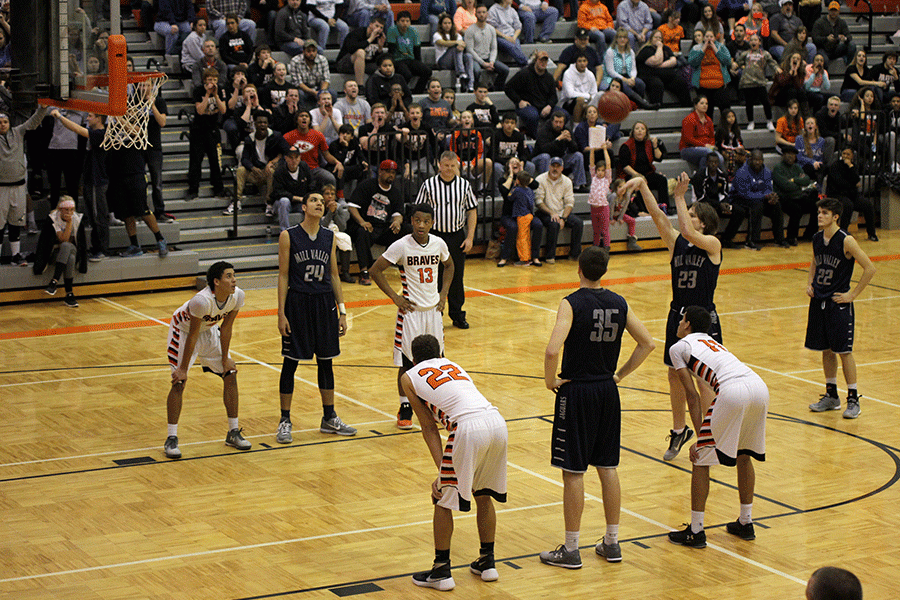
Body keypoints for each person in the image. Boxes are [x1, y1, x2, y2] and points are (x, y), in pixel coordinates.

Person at [539, 246, 655, 568]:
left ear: (579, 268)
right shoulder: (619, 302)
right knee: (608, 467)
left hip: (577, 392)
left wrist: (551, 382)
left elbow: (552, 351)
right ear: (604, 270)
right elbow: (648, 343)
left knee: (574, 471)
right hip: (607, 390)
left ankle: (572, 549)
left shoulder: (571, 303)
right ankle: (613, 542)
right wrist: (619, 374)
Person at [401, 334, 508, 591]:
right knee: (484, 495)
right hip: (497, 422)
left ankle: (441, 571)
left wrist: (442, 472)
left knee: (441, 497)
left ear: (413, 358)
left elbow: (428, 426)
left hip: (468, 428)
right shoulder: (454, 365)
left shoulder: (409, 376)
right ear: (439, 354)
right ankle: (487, 561)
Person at [666, 306, 769, 548]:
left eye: (682, 320)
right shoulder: (712, 342)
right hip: (759, 387)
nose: (679, 323)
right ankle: (745, 522)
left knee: (701, 458)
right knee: (744, 455)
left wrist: (701, 437)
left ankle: (696, 530)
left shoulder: (678, 348)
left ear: (687, 324)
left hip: (733, 390)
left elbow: (691, 395)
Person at [641, 173, 723, 461]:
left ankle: (708, 435)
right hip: (679, 315)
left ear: (704, 222)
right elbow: (657, 217)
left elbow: (688, 232)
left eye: (691, 214)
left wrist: (678, 195)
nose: (685, 217)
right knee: (675, 375)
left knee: (703, 380)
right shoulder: (676, 243)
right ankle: (679, 431)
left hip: (703, 319)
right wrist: (642, 186)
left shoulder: (712, 244)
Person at [370, 203, 455, 429]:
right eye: (417, 220)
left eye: (426, 221)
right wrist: (395, 298)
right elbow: (375, 270)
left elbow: (450, 266)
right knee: (407, 362)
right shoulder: (401, 246)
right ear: (411, 221)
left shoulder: (439, 243)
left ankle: (436, 404)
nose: (421, 225)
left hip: (434, 312)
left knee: (438, 360)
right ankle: (405, 406)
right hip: (411, 313)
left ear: (432, 223)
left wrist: (444, 294)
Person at [164, 261, 250, 459]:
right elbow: (193, 335)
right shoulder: (201, 301)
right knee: (179, 381)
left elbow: (226, 328)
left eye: (234, 275)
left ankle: (233, 432)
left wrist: (225, 358)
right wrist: (184, 369)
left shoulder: (237, 296)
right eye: (229, 276)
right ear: (216, 282)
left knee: (231, 373)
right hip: (183, 332)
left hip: (209, 330)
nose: (234, 280)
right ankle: (171, 438)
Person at [805, 197, 876, 419]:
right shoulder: (817, 238)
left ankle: (853, 398)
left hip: (838, 303)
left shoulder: (847, 240)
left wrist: (852, 295)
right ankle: (831, 395)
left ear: (835, 217)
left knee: (844, 351)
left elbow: (870, 268)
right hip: (819, 301)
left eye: (825, 213)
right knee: (826, 350)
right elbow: (815, 261)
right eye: (819, 212)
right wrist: (810, 282)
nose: (819, 215)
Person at [415, 151, 479, 330]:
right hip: (434, 236)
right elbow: (419, 211)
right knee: (434, 278)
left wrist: (470, 237)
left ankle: (457, 315)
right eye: (446, 165)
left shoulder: (464, 185)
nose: (449, 169)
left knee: (457, 277)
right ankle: (434, 315)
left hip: (456, 236)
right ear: (439, 165)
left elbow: (472, 211)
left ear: (457, 166)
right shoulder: (428, 185)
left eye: (452, 166)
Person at [50, 109, 110, 261]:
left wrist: (59, 116)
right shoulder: (94, 133)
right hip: (91, 180)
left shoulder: (100, 134)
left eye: (90, 116)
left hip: (98, 182)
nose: (87, 118)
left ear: (99, 118)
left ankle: (102, 249)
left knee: (99, 216)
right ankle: (96, 247)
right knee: (92, 215)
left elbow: (76, 129)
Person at [347, 159, 406, 285]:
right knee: (362, 232)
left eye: (393, 173)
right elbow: (352, 207)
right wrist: (362, 222)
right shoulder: (367, 185)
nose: (391, 175)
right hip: (366, 226)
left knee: (408, 230)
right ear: (380, 171)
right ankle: (364, 272)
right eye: (388, 172)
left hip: (383, 228)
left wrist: (397, 222)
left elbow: (398, 213)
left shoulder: (395, 192)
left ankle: (404, 264)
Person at [723, 149, 785, 249]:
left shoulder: (766, 172)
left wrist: (771, 197)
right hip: (739, 199)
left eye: (760, 160)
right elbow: (744, 194)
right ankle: (752, 240)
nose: (757, 162)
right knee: (757, 205)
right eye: (755, 160)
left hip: (758, 199)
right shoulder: (742, 172)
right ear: (750, 159)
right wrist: (764, 196)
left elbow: (768, 189)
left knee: (776, 205)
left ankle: (779, 239)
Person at [37, 196, 86, 308]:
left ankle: (54, 282)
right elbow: (62, 239)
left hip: (73, 250)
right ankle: (69, 294)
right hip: (55, 254)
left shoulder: (77, 219)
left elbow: (73, 242)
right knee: (70, 256)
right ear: (60, 209)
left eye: (72, 210)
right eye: (66, 210)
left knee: (66, 246)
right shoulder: (53, 219)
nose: (69, 212)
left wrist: (69, 223)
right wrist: (69, 224)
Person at [234, 111, 284, 215]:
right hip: (256, 172)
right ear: (255, 124)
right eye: (260, 122)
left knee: (271, 170)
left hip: (270, 172)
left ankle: (269, 203)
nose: (262, 125)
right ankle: (236, 201)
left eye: (265, 123)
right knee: (240, 170)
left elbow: (285, 152)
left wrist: (273, 162)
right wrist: (252, 168)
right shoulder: (249, 139)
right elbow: (244, 159)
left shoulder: (276, 136)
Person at [535, 157, 584, 262]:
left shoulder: (567, 181)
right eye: (553, 166)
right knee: (554, 223)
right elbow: (539, 202)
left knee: (578, 223)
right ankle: (550, 256)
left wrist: (563, 218)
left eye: (558, 166)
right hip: (545, 212)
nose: (555, 169)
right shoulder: (540, 179)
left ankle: (575, 255)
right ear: (549, 167)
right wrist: (552, 213)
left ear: (562, 168)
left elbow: (569, 203)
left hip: (561, 212)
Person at [497, 157, 543, 267]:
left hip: (525, 214)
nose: (515, 163)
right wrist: (511, 175)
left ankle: (535, 256)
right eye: (512, 162)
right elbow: (504, 191)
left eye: (517, 162)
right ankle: (504, 257)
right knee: (513, 227)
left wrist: (522, 173)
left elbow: (535, 184)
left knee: (538, 225)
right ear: (508, 166)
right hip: (509, 215)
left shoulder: (525, 181)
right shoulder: (503, 180)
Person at [826, 147, 878, 242]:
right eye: (844, 153)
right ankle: (843, 233)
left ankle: (872, 234)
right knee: (848, 205)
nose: (845, 156)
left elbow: (856, 180)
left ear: (852, 156)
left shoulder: (853, 167)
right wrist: (853, 185)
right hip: (836, 194)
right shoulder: (835, 166)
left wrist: (850, 167)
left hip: (850, 194)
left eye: (848, 154)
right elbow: (840, 183)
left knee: (867, 205)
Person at [283, 109, 343, 191]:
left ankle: (333, 200)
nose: (304, 118)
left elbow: (327, 155)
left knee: (330, 178)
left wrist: (338, 162)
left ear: (310, 121)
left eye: (306, 116)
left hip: (314, 169)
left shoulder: (318, 135)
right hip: (295, 169)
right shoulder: (288, 136)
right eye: (301, 116)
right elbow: (282, 155)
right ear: (296, 120)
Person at [733, 33, 779, 131]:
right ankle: (750, 122)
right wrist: (735, 66)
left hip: (760, 81)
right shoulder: (745, 54)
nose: (753, 42)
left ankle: (769, 121)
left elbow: (772, 63)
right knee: (749, 104)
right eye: (751, 40)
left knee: (765, 102)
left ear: (759, 42)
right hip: (747, 82)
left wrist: (777, 68)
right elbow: (737, 63)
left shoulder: (765, 54)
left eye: (755, 40)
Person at [620, 120, 668, 213]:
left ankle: (664, 207)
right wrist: (638, 176)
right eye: (637, 129)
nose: (639, 131)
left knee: (662, 180)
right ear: (633, 132)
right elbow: (625, 166)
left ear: (646, 132)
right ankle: (645, 210)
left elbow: (659, 158)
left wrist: (655, 146)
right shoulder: (626, 146)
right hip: (633, 175)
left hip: (648, 173)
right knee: (640, 184)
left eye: (642, 129)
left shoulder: (649, 144)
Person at [772, 145, 817, 245]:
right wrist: (799, 185)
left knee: (815, 206)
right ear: (783, 155)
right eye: (788, 154)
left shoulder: (796, 167)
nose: (790, 156)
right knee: (796, 209)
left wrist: (794, 180)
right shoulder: (778, 169)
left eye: (793, 155)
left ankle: (810, 234)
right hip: (784, 198)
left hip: (798, 196)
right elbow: (786, 186)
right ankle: (791, 237)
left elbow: (806, 180)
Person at [636, 29, 692, 107]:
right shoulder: (646, 50)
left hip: (666, 75)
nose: (658, 40)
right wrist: (659, 47)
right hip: (649, 76)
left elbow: (674, 61)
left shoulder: (666, 48)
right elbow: (656, 61)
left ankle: (687, 106)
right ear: (651, 38)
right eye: (656, 37)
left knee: (681, 82)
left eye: (660, 38)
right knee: (657, 85)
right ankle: (656, 108)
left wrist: (660, 66)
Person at [601, 29, 654, 110]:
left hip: (627, 75)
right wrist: (625, 80)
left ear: (627, 39)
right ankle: (644, 104)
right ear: (616, 39)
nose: (622, 39)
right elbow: (610, 71)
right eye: (620, 37)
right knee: (624, 85)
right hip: (612, 77)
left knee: (640, 83)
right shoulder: (610, 52)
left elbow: (633, 69)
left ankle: (638, 105)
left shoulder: (630, 52)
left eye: (624, 37)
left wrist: (632, 78)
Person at [534, 111, 588, 190]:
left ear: (564, 123)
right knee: (546, 157)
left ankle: (579, 185)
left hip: (560, 159)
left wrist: (570, 141)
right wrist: (558, 139)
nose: (558, 125)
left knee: (578, 155)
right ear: (552, 121)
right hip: (540, 158)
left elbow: (575, 149)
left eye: (560, 122)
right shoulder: (544, 130)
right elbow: (544, 149)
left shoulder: (566, 131)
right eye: (556, 122)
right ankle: (545, 186)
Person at [688, 29, 732, 118]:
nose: (709, 39)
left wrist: (716, 50)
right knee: (707, 112)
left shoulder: (721, 47)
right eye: (707, 37)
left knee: (725, 108)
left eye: (711, 37)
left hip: (720, 83)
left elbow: (727, 61)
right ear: (703, 38)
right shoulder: (696, 48)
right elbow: (692, 62)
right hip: (703, 85)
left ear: (715, 38)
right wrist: (703, 50)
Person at [466, 4, 510, 91]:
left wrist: (492, 62)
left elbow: (494, 48)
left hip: (488, 58)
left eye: (483, 12)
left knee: (505, 70)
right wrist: (483, 63)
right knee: (477, 70)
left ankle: (497, 88)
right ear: (475, 14)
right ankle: (476, 89)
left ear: (487, 14)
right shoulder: (470, 30)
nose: (481, 14)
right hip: (476, 59)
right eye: (479, 12)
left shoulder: (491, 29)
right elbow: (469, 50)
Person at [387, 11, 433, 94]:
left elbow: (417, 50)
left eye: (407, 21)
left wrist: (420, 65)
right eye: (402, 21)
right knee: (407, 74)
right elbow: (391, 50)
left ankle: (417, 92)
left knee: (427, 71)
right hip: (398, 60)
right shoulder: (392, 30)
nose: (405, 23)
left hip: (410, 59)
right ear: (397, 22)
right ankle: (402, 92)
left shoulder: (413, 31)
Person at [334, 16, 386, 85]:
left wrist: (380, 48)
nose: (378, 29)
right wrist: (369, 40)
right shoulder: (357, 33)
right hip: (345, 63)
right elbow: (351, 49)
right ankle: (360, 85)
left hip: (364, 64)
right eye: (376, 26)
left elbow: (375, 60)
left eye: (381, 28)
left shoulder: (378, 38)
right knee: (360, 52)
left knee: (384, 67)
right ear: (370, 24)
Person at [680, 95, 724, 174]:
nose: (705, 105)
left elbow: (711, 137)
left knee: (705, 159)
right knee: (716, 157)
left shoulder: (709, 120)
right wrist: (704, 145)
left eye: (706, 104)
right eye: (702, 103)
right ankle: (724, 174)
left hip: (705, 149)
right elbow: (688, 139)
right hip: (688, 149)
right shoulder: (689, 119)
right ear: (696, 105)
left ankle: (701, 178)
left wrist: (711, 145)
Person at [434, 13, 476, 93]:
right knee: (454, 48)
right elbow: (443, 43)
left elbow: (463, 44)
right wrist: (457, 43)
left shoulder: (457, 35)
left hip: (455, 60)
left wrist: (461, 46)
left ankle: (470, 85)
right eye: (445, 23)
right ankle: (461, 72)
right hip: (443, 61)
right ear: (441, 24)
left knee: (468, 56)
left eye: (449, 23)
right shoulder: (437, 35)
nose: (447, 25)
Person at [561, 55, 605, 122]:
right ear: (575, 62)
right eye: (579, 61)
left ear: (587, 62)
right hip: (569, 103)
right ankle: (576, 126)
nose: (582, 63)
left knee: (601, 94)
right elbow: (570, 94)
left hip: (588, 102)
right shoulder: (568, 73)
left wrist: (590, 105)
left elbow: (594, 93)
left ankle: (598, 124)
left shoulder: (590, 74)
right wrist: (587, 96)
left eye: (584, 61)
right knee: (580, 99)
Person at [811, 2, 855, 66]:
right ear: (828, 10)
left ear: (838, 11)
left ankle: (848, 66)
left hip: (835, 48)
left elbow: (849, 36)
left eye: (835, 10)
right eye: (832, 10)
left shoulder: (841, 22)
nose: (833, 12)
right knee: (824, 60)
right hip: (823, 49)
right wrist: (826, 39)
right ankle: (825, 75)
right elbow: (814, 38)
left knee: (852, 45)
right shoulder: (819, 22)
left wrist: (844, 38)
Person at [487, 0, 530, 67]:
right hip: (499, 37)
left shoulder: (512, 10)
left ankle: (525, 65)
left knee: (516, 47)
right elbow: (491, 27)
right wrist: (505, 37)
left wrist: (514, 37)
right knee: (512, 46)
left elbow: (518, 27)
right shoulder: (493, 10)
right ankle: (529, 63)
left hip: (512, 36)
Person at [795, 115, 834, 189]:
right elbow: (799, 157)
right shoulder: (799, 139)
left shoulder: (821, 140)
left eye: (812, 123)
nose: (810, 125)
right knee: (812, 168)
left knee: (825, 168)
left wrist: (818, 163)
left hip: (817, 166)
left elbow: (821, 157)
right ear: (805, 127)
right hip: (803, 166)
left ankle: (819, 189)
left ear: (815, 126)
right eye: (808, 123)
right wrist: (813, 162)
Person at [289, 40, 331, 107]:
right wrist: (313, 92)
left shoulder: (323, 60)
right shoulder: (295, 61)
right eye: (308, 51)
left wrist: (321, 92)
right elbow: (298, 83)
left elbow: (326, 79)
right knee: (299, 94)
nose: (311, 53)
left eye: (313, 51)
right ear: (303, 51)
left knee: (332, 94)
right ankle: (303, 113)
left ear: (316, 51)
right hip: (303, 89)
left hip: (319, 87)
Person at [715, 109, 747, 179]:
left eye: (733, 116)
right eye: (729, 117)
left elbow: (739, 141)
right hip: (723, 149)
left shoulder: (736, 129)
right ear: (724, 119)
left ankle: (746, 174)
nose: (732, 118)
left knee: (748, 154)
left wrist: (740, 147)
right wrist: (735, 149)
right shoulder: (721, 130)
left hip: (734, 148)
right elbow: (720, 144)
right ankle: (730, 175)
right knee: (731, 155)